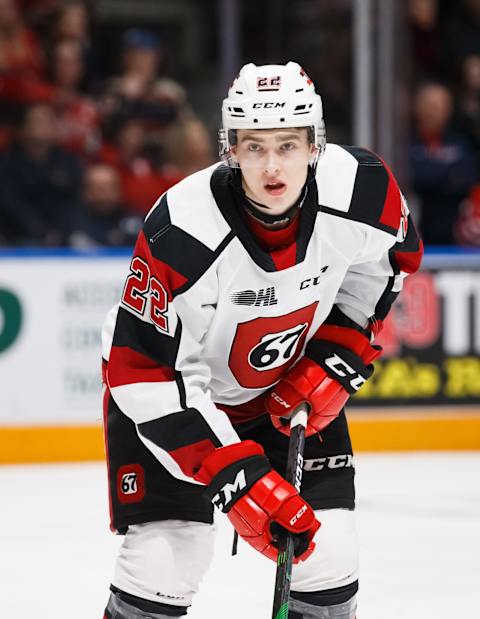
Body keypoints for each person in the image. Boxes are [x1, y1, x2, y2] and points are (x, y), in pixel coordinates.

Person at [101, 62, 423, 619]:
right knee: (166, 561)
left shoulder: (363, 192)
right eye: (254, 146)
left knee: (329, 554)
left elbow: (390, 263)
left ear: (315, 145)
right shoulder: (182, 229)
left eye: (288, 145)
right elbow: (142, 370)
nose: (272, 166)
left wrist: (339, 350)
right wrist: (231, 473)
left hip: (286, 393)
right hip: (179, 405)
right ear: (230, 148)